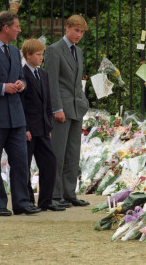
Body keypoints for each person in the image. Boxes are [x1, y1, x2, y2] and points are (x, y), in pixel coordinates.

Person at [0, 11, 41, 216]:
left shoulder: (13, 50)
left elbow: (22, 77)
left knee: (21, 160)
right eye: (16, 26)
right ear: (6, 28)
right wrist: (2, 87)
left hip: (16, 117)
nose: (19, 30)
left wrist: (22, 83)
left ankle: (21, 202)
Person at [44, 15, 89, 207]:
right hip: (61, 109)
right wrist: (57, 108)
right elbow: (51, 82)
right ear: (67, 27)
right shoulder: (54, 50)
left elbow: (77, 82)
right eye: (76, 30)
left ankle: (70, 193)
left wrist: (82, 102)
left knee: (73, 153)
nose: (79, 35)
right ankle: (55, 195)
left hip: (76, 108)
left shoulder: (78, 51)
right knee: (58, 153)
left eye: (81, 32)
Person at [21, 39, 65, 212]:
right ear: (28, 55)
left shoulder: (43, 74)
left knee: (50, 162)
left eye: (42, 54)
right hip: (29, 129)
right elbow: (21, 104)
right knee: (24, 165)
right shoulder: (22, 75)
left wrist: (48, 127)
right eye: (38, 55)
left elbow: (47, 103)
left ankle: (45, 201)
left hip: (42, 128)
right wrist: (24, 128)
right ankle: (28, 201)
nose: (41, 58)